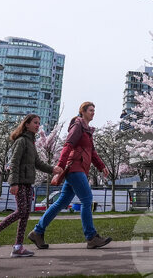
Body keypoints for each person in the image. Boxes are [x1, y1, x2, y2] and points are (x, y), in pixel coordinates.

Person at [27, 102, 112, 250]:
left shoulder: (87, 130)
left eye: (94, 110)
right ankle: (91, 237)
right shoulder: (78, 125)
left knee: (60, 202)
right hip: (75, 168)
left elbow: (92, 152)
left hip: (79, 169)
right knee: (87, 200)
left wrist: (102, 166)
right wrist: (60, 164)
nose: (93, 113)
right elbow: (68, 145)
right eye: (91, 110)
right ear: (83, 111)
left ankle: (37, 231)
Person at [0, 114, 60, 258]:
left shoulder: (31, 142)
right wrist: (14, 183)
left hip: (28, 182)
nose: (38, 125)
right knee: (21, 211)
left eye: (39, 123)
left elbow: (37, 163)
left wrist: (52, 169)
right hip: (20, 182)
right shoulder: (21, 141)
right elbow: (14, 162)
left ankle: (18, 247)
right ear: (27, 124)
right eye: (35, 123)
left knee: (25, 214)